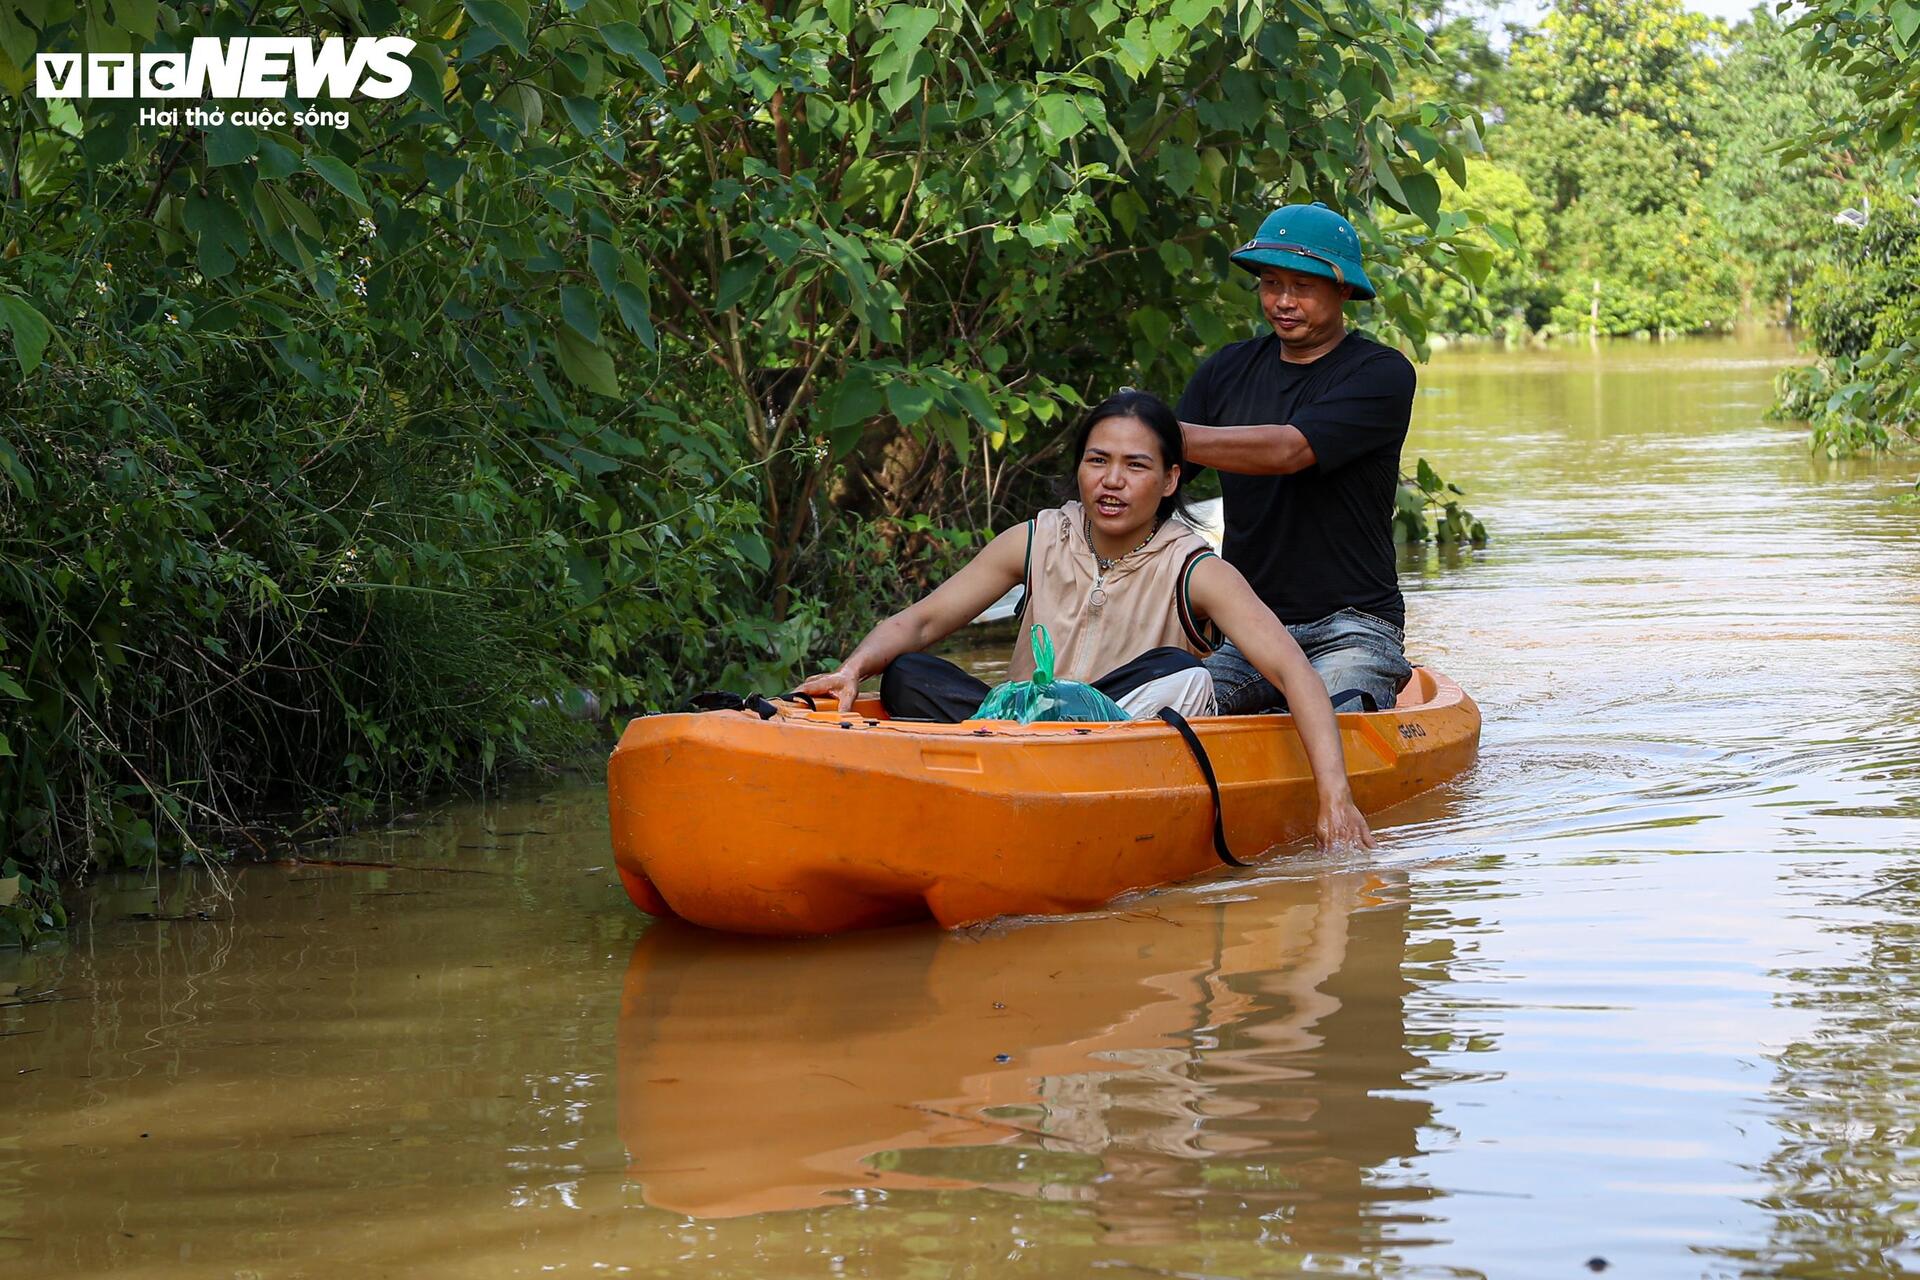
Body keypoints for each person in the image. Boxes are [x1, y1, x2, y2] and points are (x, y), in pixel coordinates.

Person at [797, 390, 1375, 850]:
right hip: (1016, 732)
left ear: (1171, 480)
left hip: (1121, 745)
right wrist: (853, 671)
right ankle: (993, 769)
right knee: (908, 675)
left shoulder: (1194, 567)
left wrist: (1334, 798)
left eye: (1135, 465)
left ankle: (1021, 766)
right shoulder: (1036, 538)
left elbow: (1293, 670)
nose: (1112, 480)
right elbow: (922, 622)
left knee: (1184, 673)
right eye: (1098, 461)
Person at [1177, 201, 1418, 716]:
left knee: (1333, 730)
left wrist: (1155, 437)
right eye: (1270, 283)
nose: (1283, 301)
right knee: (1169, 716)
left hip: (1353, 628)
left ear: (1343, 290)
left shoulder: (1381, 373)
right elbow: (1161, 482)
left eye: (1303, 287)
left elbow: (1291, 449)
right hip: (1248, 629)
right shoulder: (1224, 371)